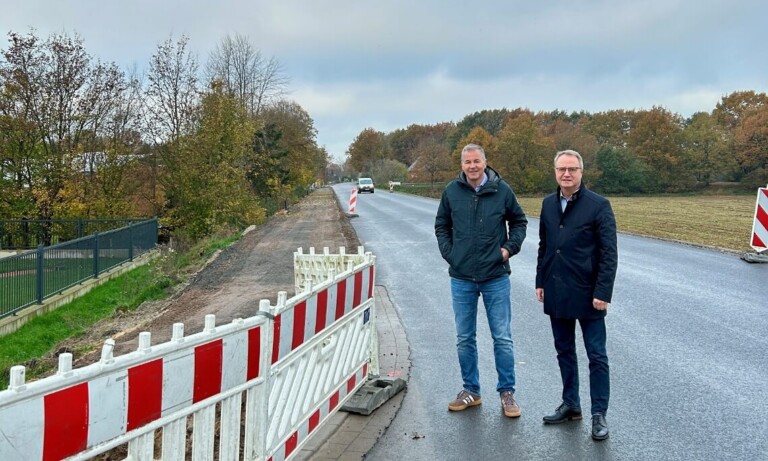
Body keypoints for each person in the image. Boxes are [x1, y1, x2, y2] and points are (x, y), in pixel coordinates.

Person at [435, 143, 528, 418]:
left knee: (502, 338)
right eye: (468, 162)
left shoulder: (502, 190)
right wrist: (452, 255)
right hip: (462, 277)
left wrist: (507, 250)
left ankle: (507, 393)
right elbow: (441, 225)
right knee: (465, 337)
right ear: (462, 165)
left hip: (495, 276)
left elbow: (519, 222)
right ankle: (471, 391)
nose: (472, 166)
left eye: (477, 161)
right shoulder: (452, 191)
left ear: (485, 162)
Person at [535, 149, 618, 441]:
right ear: (555, 172)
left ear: (582, 172)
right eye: (561, 169)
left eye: (572, 169)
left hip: (589, 294)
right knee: (564, 352)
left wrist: (603, 291)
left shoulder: (598, 206)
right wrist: (540, 280)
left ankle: (599, 414)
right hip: (557, 290)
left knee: (597, 356)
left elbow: (609, 253)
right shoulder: (547, 204)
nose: (566, 174)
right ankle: (571, 404)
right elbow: (544, 246)